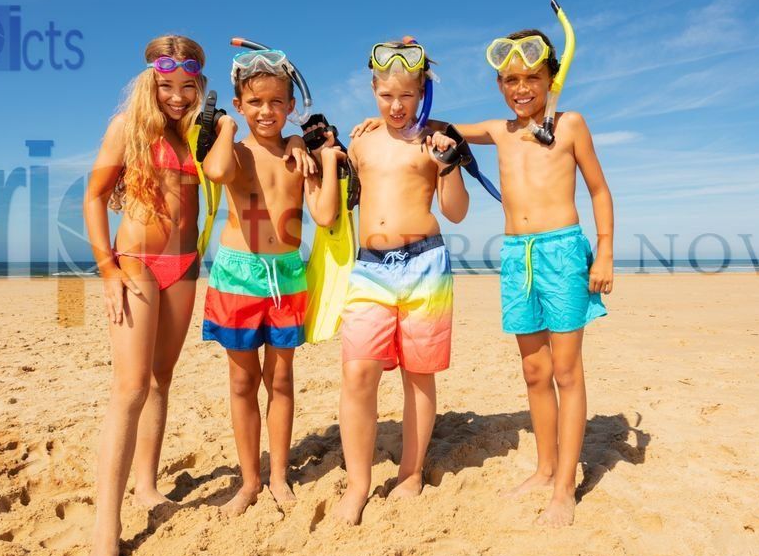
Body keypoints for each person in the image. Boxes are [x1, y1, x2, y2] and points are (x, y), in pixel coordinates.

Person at [351, 26, 614, 526]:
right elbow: (430, 123)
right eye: (510, 80)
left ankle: (564, 488)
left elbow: (599, 191)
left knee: (566, 371)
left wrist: (603, 253)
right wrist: (383, 114)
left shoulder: (571, 124)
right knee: (534, 372)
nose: (521, 89)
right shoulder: (499, 131)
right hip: (517, 257)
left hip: (561, 251)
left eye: (531, 79)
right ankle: (543, 468)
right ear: (499, 85)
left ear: (550, 78)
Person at [82, 35, 211, 556]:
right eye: (166, 86)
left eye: (187, 86)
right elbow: (92, 197)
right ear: (149, 84)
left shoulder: (199, 135)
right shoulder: (127, 130)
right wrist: (107, 269)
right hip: (134, 263)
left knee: (162, 378)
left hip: (184, 266)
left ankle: (148, 485)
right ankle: (103, 535)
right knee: (130, 388)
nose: (176, 96)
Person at [201, 47, 342, 515]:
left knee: (281, 380)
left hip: (286, 276)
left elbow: (323, 216)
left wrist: (323, 156)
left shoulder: (298, 159)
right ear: (239, 105)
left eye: (277, 102)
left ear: (290, 106)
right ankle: (249, 481)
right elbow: (217, 171)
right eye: (255, 102)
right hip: (238, 276)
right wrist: (224, 126)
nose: (266, 111)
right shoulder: (235, 152)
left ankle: (279, 475)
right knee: (243, 384)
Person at [333, 39, 468, 525]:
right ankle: (358, 483)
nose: (396, 105)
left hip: (425, 266)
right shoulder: (361, 141)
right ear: (372, 89)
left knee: (419, 373)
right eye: (387, 94)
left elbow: (455, 211)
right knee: (357, 371)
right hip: (370, 267)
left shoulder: (433, 139)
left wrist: (447, 165)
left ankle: (410, 473)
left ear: (422, 93)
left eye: (407, 95)